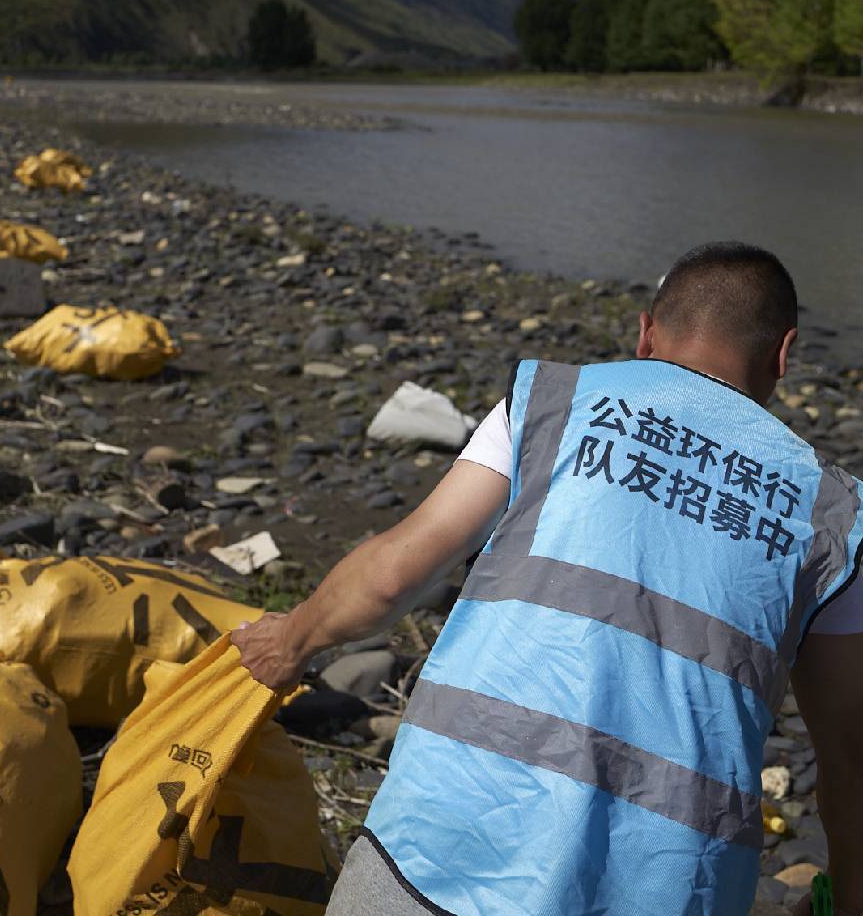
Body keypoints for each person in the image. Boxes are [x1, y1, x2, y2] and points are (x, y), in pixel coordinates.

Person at [232, 242, 863, 916]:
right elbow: (849, 751)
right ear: (783, 353)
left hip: (444, 845)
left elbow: (392, 575)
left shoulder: (554, 401)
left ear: (646, 330)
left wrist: (290, 642)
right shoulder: (832, 511)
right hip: (665, 886)